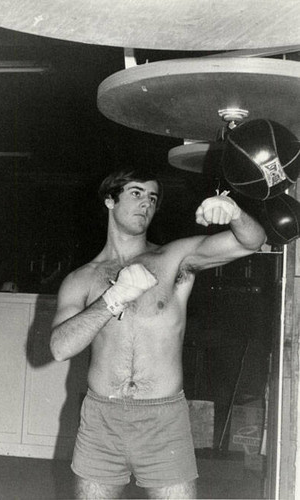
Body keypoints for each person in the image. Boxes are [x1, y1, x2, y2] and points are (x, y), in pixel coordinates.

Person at [50, 167, 266, 499]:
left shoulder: (174, 258)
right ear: (110, 200)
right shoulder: (82, 279)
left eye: (152, 197)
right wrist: (113, 298)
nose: (146, 204)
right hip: (101, 420)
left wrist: (234, 212)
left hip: (163, 419)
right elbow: (60, 348)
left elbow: (251, 241)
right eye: (136, 193)